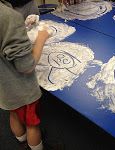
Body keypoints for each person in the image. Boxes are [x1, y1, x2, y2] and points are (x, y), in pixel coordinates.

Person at [0, 0, 50, 150]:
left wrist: (21, 29)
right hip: (22, 89)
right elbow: (27, 67)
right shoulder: (8, 16)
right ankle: (33, 146)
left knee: (14, 114)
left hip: (4, 87)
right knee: (32, 124)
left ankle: (21, 141)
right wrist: (41, 38)